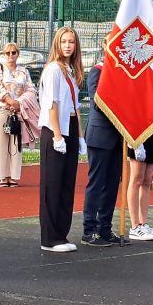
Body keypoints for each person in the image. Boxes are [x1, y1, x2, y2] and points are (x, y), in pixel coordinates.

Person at [38, 26, 86, 253]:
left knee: (67, 185)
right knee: (53, 184)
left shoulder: (70, 70)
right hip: (55, 131)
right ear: (57, 44)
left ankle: (61, 234)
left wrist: (80, 136)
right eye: (64, 41)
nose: (68, 46)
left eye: (72, 42)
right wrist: (57, 136)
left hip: (71, 128)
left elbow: (76, 107)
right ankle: (49, 238)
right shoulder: (53, 70)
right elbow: (52, 104)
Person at [80, 60, 129, 247]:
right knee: (97, 183)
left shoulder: (124, 72)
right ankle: (89, 230)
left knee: (111, 185)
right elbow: (98, 102)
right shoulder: (97, 70)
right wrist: (122, 103)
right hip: (100, 135)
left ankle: (105, 229)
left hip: (118, 137)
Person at [0, 42, 36, 188]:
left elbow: (31, 89)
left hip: (17, 111)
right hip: (1, 109)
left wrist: (19, 103)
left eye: (13, 52)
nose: (11, 55)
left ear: (18, 54)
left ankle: (14, 176)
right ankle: (3, 176)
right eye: (7, 53)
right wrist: (10, 101)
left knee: (16, 144)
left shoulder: (24, 71)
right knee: (0, 143)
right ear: (3, 54)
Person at [126, 126, 153, 241]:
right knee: (137, 180)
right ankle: (135, 226)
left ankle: (143, 223)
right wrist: (135, 143)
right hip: (138, 136)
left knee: (147, 181)